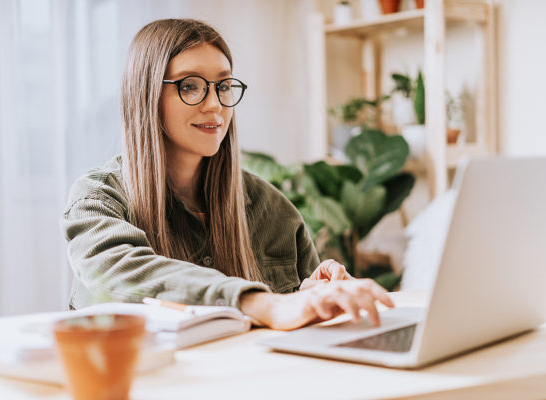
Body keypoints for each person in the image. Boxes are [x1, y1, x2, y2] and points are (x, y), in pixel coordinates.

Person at [62, 18, 393, 331]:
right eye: (190, 86)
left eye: (223, 85)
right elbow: (118, 271)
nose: (215, 104)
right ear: (146, 94)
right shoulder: (98, 199)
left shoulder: (271, 209)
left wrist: (312, 295)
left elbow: (295, 322)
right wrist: (264, 304)